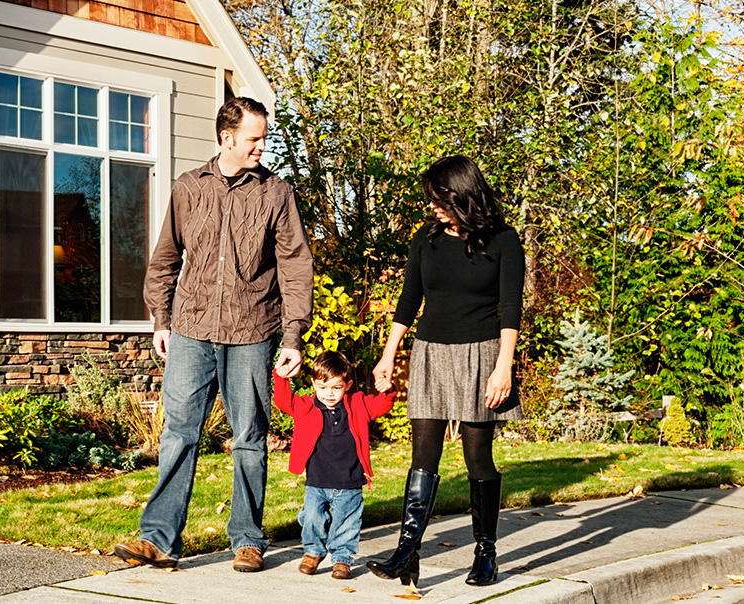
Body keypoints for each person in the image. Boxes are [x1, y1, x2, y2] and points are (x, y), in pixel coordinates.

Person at [112, 97, 314, 573]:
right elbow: (165, 258)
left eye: (264, 138)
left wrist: (292, 336)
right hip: (191, 328)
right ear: (227, 138)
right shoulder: (187, 188)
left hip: (253, 330)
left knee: (249, 436)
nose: (262, 147)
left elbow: (295, 267)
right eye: (254, 138)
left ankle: (248, 539)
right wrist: (160, 320)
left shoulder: (276, 194)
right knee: (179, 433)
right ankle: (159, 540)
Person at [365, 155, 524, 588]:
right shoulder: (426, 238)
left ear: (461, 195)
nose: (432, 206)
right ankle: (407, 552)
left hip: (482, 355)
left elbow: (511, 308)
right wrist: (389, 354)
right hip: (431, 353)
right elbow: (408, 299)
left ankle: (486, 553)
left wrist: (503, 367)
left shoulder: (504, 241)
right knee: (423, 457)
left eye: (438, 198)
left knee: (478, 459)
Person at [272, 350, 396, 580]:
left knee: (347, 523)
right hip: (317, 480)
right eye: (322, 387)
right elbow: (282, 400)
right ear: (313, 384)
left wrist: (387, 390)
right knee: (312, 518)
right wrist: (281, 378)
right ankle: (313, 552)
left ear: (347, 385)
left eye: (336, 388)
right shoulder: (306, 407)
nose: (328, 394)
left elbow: (383, 405)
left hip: (350, 480)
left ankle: (341, 559)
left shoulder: (358, 404)